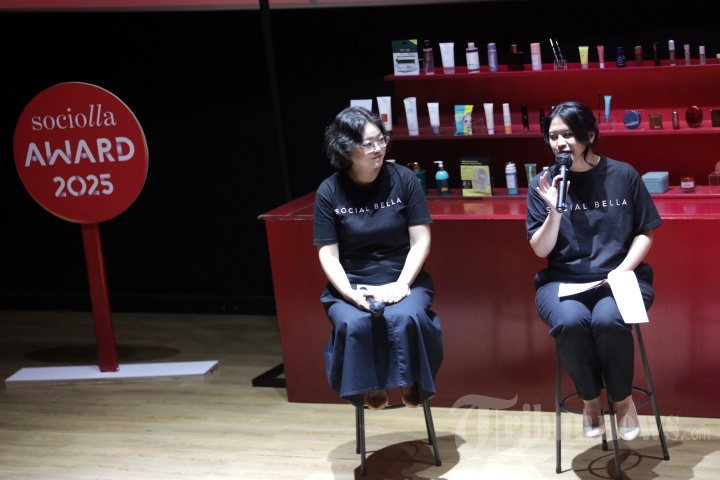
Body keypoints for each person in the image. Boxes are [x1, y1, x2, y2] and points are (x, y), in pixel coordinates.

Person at [526, 101, 663, 441]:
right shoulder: (543, 183)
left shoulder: (623, 175)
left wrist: (622, 270)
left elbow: (645, 232)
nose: (560, 143)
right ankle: (590, 401)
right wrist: (555, 210)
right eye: (553, 136)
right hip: (562, 280)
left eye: (568, 134)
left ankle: (622, 401)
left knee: (608, 319)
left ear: (589, 134)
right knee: (570, 322)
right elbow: (541, 249)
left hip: (621, 276)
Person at [313, 106, 443, 410]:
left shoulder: (405, 179)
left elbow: (421, 241)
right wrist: (351, 294)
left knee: (408, 316)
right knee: (355, 322)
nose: (378, 148)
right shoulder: (329, 191)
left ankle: (411, 379)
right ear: (345, 149)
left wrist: (401, 285)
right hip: (353, 282)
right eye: (367, 143)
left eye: (381, 139)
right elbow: (328, 254)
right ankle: (373, 382)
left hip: (403, 276)